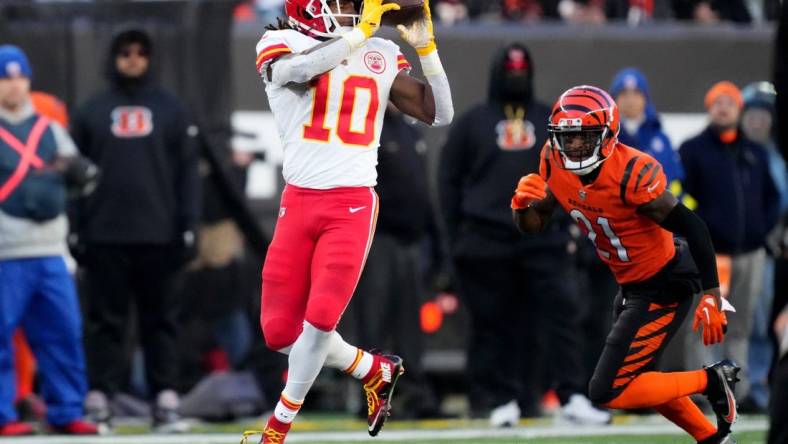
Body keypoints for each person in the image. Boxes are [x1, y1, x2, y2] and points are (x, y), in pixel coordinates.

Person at [247, 0, 453, 442]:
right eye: (340, 3)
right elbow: (302, 71)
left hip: (352, 202)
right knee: (280, 332)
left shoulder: (374, 50)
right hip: (298, 201)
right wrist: (359, 33)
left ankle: (276, 429)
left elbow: (440, 113)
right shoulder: (279, 42)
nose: (352, 10)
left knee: (320, 320)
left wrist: (427, 49)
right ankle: (372, 368)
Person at [512, 85, 740, 444]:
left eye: (584, 137)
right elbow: (533, 226)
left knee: (608, 391)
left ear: (607, 135)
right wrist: (521, 207)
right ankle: (713, 438)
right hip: (632, 284)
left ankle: (712, 379)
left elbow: (693, 226)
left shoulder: (630, 172)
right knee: (642, 377)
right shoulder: (552, 161)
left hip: (663, 282)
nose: (573, 146)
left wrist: (711, 295)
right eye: (566, 137)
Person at [438, 43, 609, 426]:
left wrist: (575, 226)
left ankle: (571, 395)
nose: (516, 74)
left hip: (543, 237)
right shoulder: (473, 122)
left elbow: (577, 174)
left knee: (562, 318)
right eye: (510, 68)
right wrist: (455, 239)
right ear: (498, 71)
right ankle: (500, 399)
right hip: (487, 239)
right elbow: (448, 183)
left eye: (522, 68)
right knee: (494, 325)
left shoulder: (551, 120)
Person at [70, 29, 201, 433]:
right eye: (125, 52)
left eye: (141, 52)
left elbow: (188, 176)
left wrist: (188, 225)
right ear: (113, 57)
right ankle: (100, 402)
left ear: (150, 58)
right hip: (103, 235)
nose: (133, 59)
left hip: (159, 236)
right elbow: (73, 178)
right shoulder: (91, 110)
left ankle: (165, 401)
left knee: (160, 321)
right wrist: (75, 228)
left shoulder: (172, 109)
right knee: (104, 323)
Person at [0, 44, 97, 436]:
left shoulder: (50, 129)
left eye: (19, 75)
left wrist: (77, 175)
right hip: (6, 250)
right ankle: (4, 415)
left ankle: (66, 409)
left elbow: (83, 181)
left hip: (49, 249)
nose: (14, 84)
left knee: (63, 333)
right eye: (5, 77)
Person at [679, 81, 779, 403]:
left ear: (739, 108)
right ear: (710, 108)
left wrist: (761, 229)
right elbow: (680, 196)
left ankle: (740, 392)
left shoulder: (755, 152)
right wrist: (701, 226)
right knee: (704, 326)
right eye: (717, 102)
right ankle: (702, 391)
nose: (723, 108)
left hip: (749, 253)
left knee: (742, 326)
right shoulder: (693, 149)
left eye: (729, 103)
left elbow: (773, 198)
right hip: (709, 254)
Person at [342, 104, 439, 419]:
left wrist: (435, 239)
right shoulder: (367, 131)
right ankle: (372, 398)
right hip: (377, 240)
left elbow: (422, 192)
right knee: (374, 320)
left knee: (410, 324)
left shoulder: (412, 132)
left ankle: (416, 395)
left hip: (410, 241)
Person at [610, 67, 693, 207]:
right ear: (614, 98)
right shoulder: (607, 136)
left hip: (658, 213)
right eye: (624, 94)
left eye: (636, 93)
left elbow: (674, 180)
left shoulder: (660, 138)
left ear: (645, 98)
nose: (630, 100)